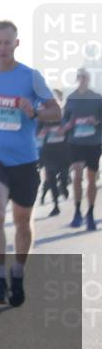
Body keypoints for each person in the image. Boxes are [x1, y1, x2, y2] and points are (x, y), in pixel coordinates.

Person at [0, 20, 60, 307]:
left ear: (16, 44)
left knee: (22, 222)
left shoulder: (31, 77)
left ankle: (17, 274)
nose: (3, 47)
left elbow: (56, 111)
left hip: (25, 160)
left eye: (8, 42)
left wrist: (33, 112)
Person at [64, 68, 102, 230]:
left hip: (93, 143)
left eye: (85, 77)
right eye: (80, 77)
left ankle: (90, 213)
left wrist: (97, 120)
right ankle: (77, 211)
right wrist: (67, 125)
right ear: (77, 79)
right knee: (77, 176)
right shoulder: (71, 98)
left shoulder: (97, 98)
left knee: (91, 179)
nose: (82, 79)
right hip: (76, 142)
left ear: (89, 79)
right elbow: (64, 119)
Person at [37, 88, 68, 217]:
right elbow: (37, 133)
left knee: (64, 175)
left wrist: (64, 129)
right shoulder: (42, 117)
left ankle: (64, 186)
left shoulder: (64, 115)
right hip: (48, 151)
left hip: (63, 149)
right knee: (51, 178)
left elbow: (70, 128)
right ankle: (55, 205)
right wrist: (42, 133)